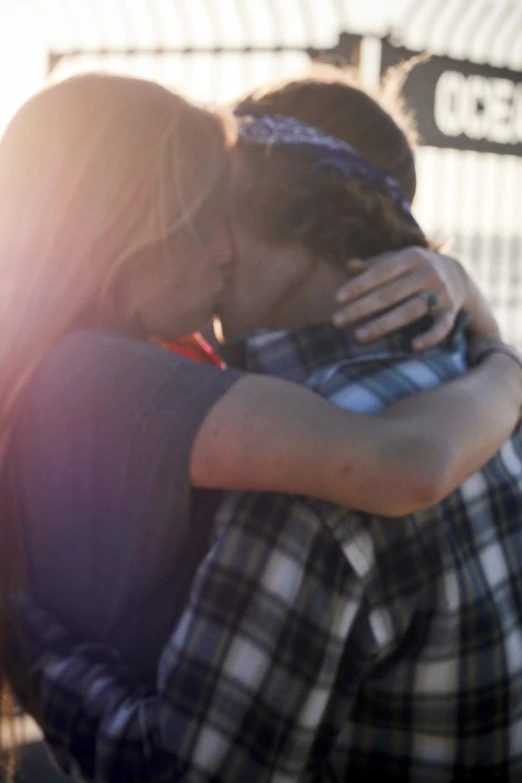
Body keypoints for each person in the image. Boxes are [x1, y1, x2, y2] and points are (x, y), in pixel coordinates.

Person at [13, 71, 522, 783]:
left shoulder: (300, 476)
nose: (205, 245)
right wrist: (498, 350)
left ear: (277, 206)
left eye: (206, 204)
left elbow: (177, 770)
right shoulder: (467, 387)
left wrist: (26, 635)